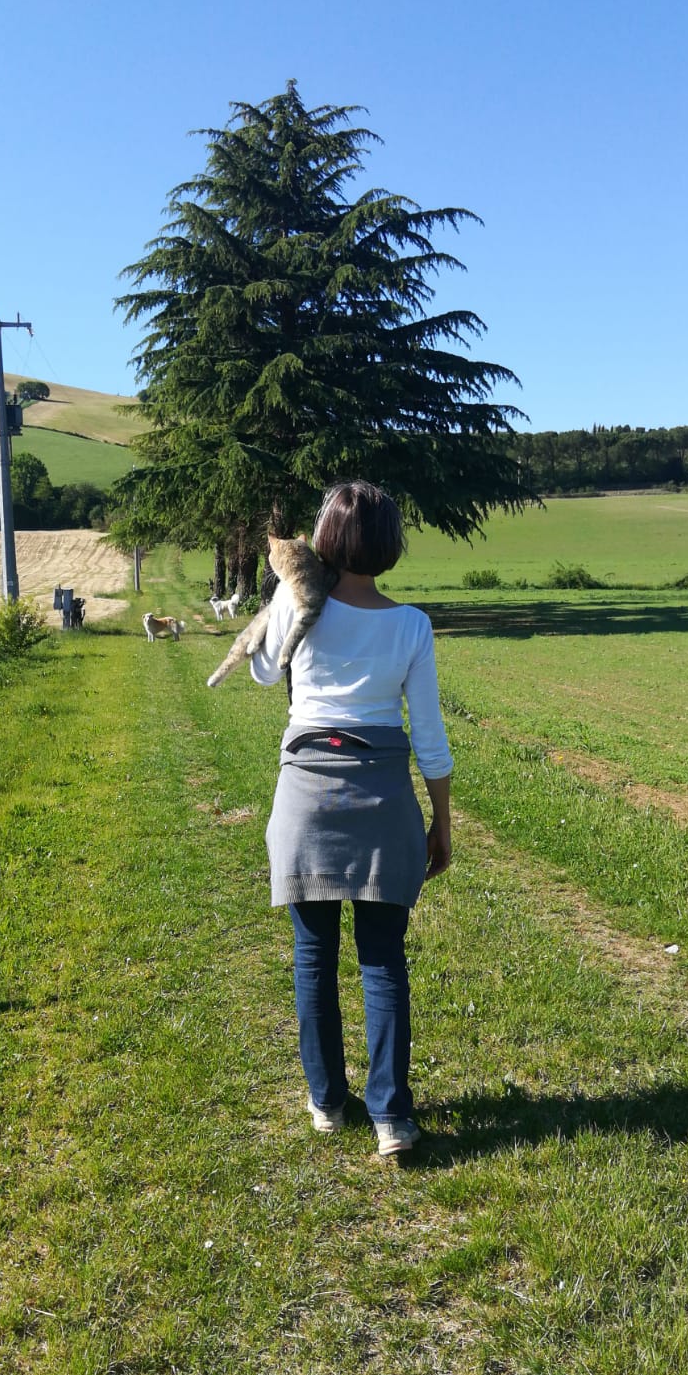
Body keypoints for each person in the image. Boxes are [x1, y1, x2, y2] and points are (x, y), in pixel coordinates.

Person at [250, 481, 453, 1156]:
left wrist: (281, 598)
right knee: (382, 959)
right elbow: (429, 737)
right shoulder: (411, 625)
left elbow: (261, 674)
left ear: (324, 538)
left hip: (305, 794)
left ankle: (327, 1102)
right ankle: (391, 1117)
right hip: (384, 798)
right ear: (390, 543)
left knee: (313, 955)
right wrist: (441, 821)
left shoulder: (296, 601)